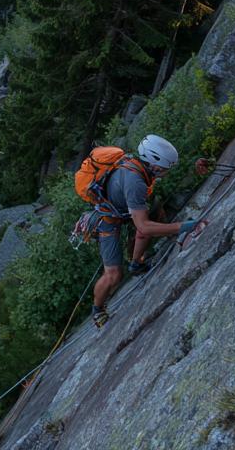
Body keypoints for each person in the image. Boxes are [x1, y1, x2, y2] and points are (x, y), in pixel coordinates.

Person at [89, 134, 199, 328]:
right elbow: (143, 227)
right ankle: (97, 310)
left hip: (123, 208)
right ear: (154, 164)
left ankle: (136, 263)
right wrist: (184, 228)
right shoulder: (135, 181)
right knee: (113, 275)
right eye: (166, 168)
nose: (167, 172)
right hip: (107, 219)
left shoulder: (142, 169)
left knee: (154, 215)